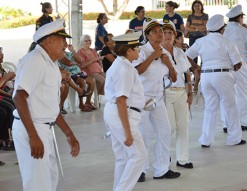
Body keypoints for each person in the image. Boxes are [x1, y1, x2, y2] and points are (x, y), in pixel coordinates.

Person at [12, 19, 80, 191]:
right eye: (62, 39)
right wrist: (33, 136)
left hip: (43, 127)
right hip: (32, 128)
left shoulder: (50, 62)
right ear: (49, 41)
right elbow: (19, 97)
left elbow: (49, 106)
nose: (66, 44)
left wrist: (68, 133)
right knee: (38, 184)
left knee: (49, 180)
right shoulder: (34, 60)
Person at [185, 14, 246, 147]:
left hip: (206, 76)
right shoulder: (227, 42)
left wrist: (195, 67)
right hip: (223, 75)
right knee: (230, 106)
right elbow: (238, 63)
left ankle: (206, 140)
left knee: (210, 108)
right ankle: (234, 138)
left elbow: (187, 56)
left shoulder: (201, 41)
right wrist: (233, 68)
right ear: (222, 29)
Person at [133, 17, 180, 181]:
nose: (160, 34)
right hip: (141, 99)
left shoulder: (165, 52)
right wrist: (153, 56)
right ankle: (140, 171)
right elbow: (137, 71)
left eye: (161, 31)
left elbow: (174, 78)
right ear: (147, 35)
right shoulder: (141, 51)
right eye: (155, 31)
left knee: (164, 131)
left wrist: (169, 65)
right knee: (143, 134)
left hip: (158, 99)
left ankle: (162, 169)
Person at [104, 32, 147, 191]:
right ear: (129, 51)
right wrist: (127, 131)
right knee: (139, 156)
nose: (139, 52)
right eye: (137, 49)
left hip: (116, 113)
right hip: (122, 114)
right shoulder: (124, 68)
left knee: (122, 157)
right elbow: (121, 100)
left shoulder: (121, 64)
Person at [161, 19, 194, 169]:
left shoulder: (180, 52)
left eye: (170, 33)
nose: (168, 35)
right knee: (170, 126)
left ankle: (183, 159)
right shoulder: (158, 52)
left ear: (175, 35)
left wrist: (190, 91)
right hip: (165, 93)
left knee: (183, 125)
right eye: (165, 33)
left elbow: (187, 72)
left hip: (181, 91)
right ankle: (164, 153)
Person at [223, 4, 247, 132]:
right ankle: (243, 122)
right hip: (240, 66)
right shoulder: (243, 31)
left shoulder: (223, 31)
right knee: (242, 93)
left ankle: (227, 124)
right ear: (240, 17)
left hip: (224, 67)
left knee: (226, 95)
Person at [58, 43, 96, 112]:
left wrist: (72, 51)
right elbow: (68, 63)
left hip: (78, 73)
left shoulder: (69, 54)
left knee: (92, 80)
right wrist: (75, 63)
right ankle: (81, 104)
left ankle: (88, 102)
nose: (65, 44)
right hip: (71, 74)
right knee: (82, 81)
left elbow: (80, 60)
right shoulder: (59, 55)